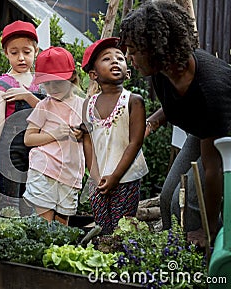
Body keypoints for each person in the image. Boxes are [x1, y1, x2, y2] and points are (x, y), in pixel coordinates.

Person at [120, 0, 231, 247]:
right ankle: (174, 253)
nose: (130, 58)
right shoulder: (162, 72)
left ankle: (206, 262)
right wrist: (153, 122)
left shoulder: (210, 89)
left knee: (193, 204)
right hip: (203, 131)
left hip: (224, 137)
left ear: (157, 49)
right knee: (168, 197)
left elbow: (212, 171)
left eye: (134, 51)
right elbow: (178, 103)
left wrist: (206, 229)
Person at [81, 38, 148, 234]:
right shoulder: (88, 105)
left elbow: (135, 143)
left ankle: (123, 263)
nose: (115, 61)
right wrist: (95, 177)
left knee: (122, 231)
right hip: (99, 179)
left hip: (126, 177)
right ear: (93, 74)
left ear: (128, 72)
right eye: (107, 59)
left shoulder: (134, 101)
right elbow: (87, 140)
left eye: (120, 58)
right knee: (102, 230)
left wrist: (115, 177)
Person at [0, 20, 43, 215]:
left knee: (32, 201)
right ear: (5, 53)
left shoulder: (40, 84)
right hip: (9, 150)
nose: (21, 58)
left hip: (37, 150)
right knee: (10, 202)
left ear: (36, 51)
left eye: (26, 52)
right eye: (14, 52)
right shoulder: (3, 83)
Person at [22, 47, 85, 225]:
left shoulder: (84, 105)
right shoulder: (44, 106)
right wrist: (54, 134)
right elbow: (28, 139)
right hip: (44, 168)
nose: (52, 88)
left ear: (72, 76)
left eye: (57, 81)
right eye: (47, 83)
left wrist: (81, 134)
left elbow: (91, 138)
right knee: (44, 222)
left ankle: (56, 253)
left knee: (62, 224)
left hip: (70, 173)